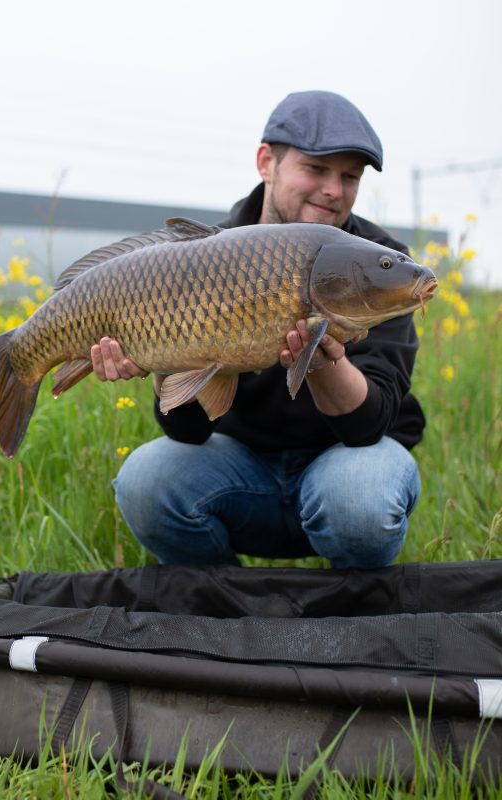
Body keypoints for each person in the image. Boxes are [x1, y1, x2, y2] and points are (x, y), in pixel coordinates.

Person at [91, 90, 425, 569]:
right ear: (266, 162)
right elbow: (185, 432)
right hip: (240, 472)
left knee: (360, 497)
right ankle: (226, 605)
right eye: (316, 169)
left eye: (349, 176)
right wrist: (163, 365)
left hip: (345, 469)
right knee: (147, 479)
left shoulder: (375, 264)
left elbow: (369, 426)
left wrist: (324, 363)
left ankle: (351, 617)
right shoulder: (203, 255)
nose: (333, 189)